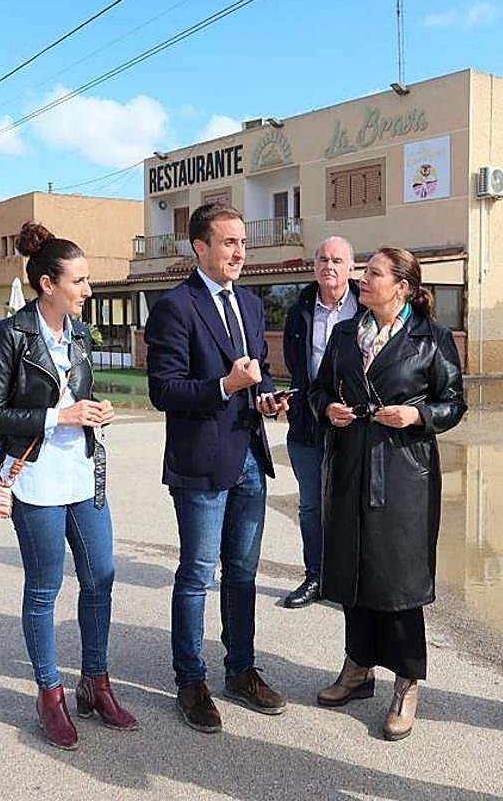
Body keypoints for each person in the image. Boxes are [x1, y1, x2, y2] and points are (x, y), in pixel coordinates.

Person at [0, 222, 136, 751]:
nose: (88, 290)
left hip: (83, 473)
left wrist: (96, 415)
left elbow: (79, 401)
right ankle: (50, 695)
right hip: (36, 475)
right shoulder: (10, 335)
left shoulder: (81, 334)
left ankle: (96, 683)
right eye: (81, 280)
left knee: (101, 580)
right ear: (48, 284)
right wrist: (58, 416)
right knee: (45, 589)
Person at [310, 247, 466, 741]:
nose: (362, 279)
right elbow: (316, 390)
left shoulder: (432, 339)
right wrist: (329, 407)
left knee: (397, 579)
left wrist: (417, 415)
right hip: (352, 463)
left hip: (404, 472)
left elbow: (454, 403)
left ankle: (407, 681)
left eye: (373, 273)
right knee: (354, 567)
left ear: (400, 286)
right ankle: (357, 668)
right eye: (365, 272)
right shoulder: (342, 334)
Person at [145, 202, 289, 733]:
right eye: (229, 242)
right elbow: (164, 390)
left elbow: (262, 372)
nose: (239, 252)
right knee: (197, 575)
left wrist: (268, 397)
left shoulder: (251, 305)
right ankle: (190, 680)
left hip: (250, 455)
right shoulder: (174, 307)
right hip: (202, 462)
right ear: (199, 247)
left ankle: (240, 670)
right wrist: (225, 387)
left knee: (244, 574)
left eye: (243, 243)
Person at [280, 236, 359, 608]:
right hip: (308, 422)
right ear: (314, 266)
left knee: (350, 505)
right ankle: (316, 576)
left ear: (350, 268)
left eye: (337, 260)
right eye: (323, 259)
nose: (329, 266)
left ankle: (349, 581)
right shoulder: (299, 309)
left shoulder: (365, 305)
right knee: (311, 505)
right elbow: (296, 366)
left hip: (354, 423)